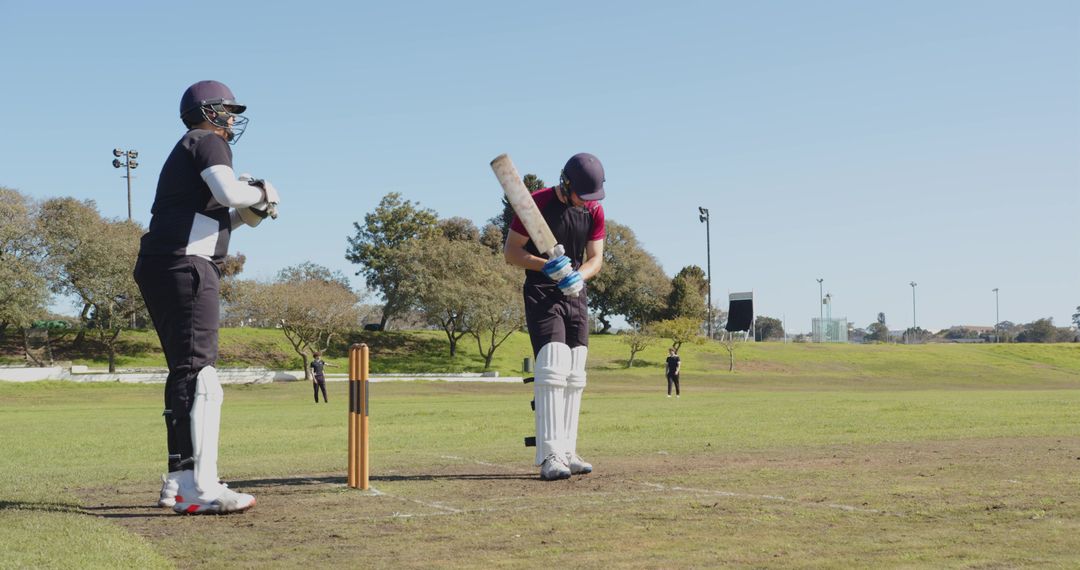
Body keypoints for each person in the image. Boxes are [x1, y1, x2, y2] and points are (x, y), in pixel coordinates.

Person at [135, 80, 280, 515]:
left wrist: (253, 208)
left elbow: (226, 218)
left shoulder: (188, 149)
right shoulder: (207, 141)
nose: (233, 118)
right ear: (209, 110)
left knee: (184, 373)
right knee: (203, 377)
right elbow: (232, 194)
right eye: (228, 110)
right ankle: (203, 486)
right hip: (187, 265)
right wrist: (263, 193)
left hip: (164, 262)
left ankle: (179, 480)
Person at [504, 153, 606, 481]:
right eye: (582, 195)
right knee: (553, 366)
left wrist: (580, 276)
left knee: (576, 372)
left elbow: (596, 258)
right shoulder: (535, 204)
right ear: (566, 184)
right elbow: (511, 252)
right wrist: (544, 265)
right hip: (541, 292)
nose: (586, 203)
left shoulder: (593, 210)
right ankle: (550, 454)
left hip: (574, 292)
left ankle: (568, 450)